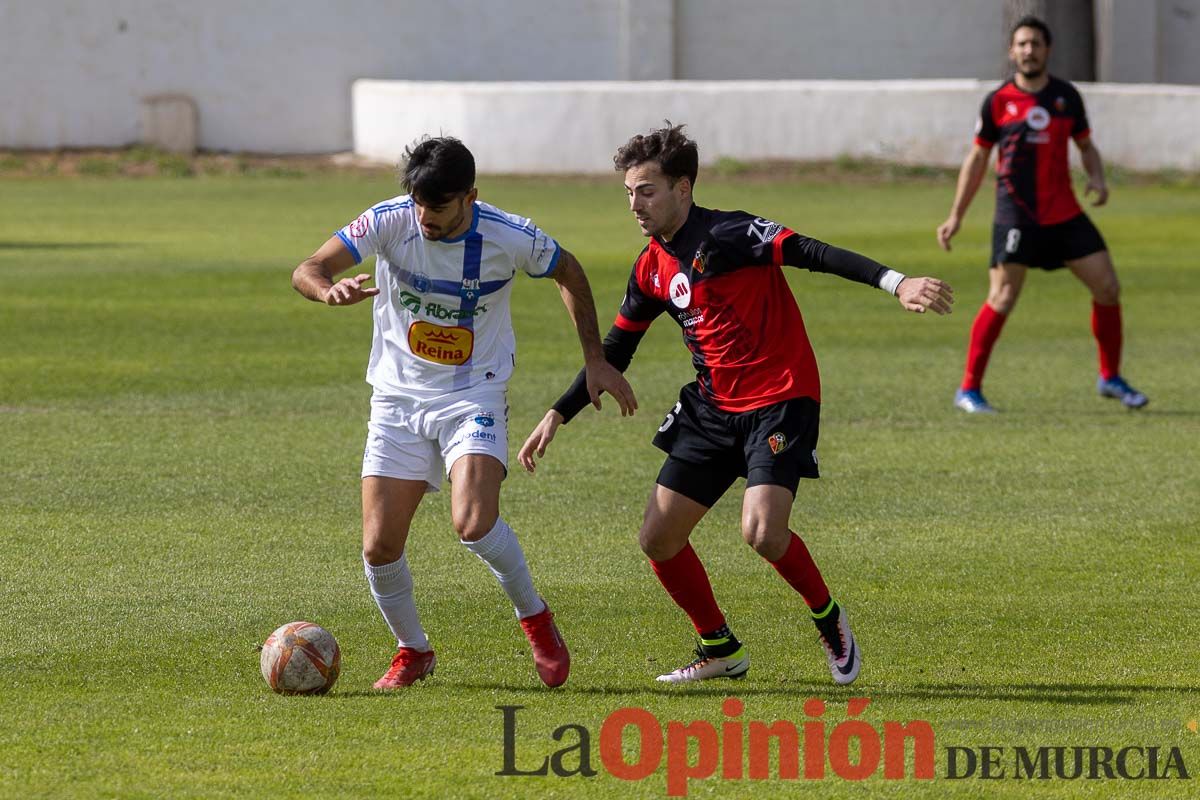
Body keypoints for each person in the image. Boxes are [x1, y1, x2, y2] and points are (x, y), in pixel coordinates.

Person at [518, 123, 954, 685]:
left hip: (780, 396)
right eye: (628, 192)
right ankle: (719, 648)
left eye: (646, 190)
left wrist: (896, 282)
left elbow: (813, 252)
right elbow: (614, 353)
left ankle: (829, 619)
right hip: (713, 406)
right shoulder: (650, 267)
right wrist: (558, 412)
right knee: (658, 537)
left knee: (763, 533)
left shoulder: (731, 233)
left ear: (683, 187)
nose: (635, 204)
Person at [291, 136, 635, 689]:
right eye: (419, 204)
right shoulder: (388, 220)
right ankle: (413, 650)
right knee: (379, 546)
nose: (425, 218)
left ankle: (536, 619)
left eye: (440, 208)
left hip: (473, 394)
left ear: (471, 196)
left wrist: (595, 359)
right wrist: (326, 290)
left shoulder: (509, 235)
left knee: (472, 524)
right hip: (397, 399)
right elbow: (307, 267)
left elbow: (569, 271)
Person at [937, 15, 1148, 414]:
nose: (1028, 50)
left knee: (1108, 287)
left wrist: (1098, 178)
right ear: (1011, 51)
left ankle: (1111, 377)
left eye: (1035, 43)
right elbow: (978, 158)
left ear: (1047, 49)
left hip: (1065, 214)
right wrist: (956, 216)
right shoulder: (998, 101)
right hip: (1016, 216)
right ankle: (968, 389)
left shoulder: (1066, 97)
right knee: (1002, 297)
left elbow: (1086, 146)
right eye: (1022, 44)